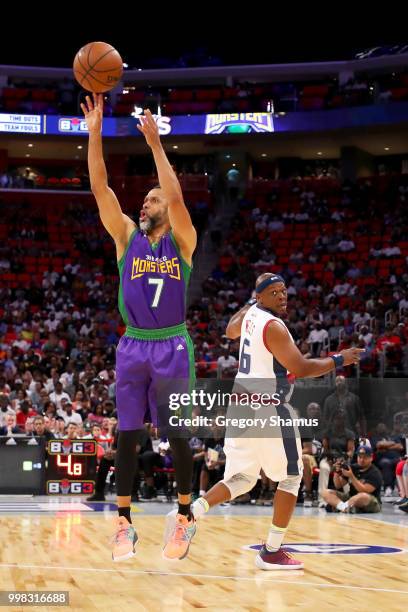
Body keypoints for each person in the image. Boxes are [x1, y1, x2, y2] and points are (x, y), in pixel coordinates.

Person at [81, 94, 197, 562]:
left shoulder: (182, 241)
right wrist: (94, 134)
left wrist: (155, 145)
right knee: (127, 435)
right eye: (144, 199)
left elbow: (175, 195)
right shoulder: (126, 237)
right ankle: (124, 524)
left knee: (178, 434)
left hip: (172, 345)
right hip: (132, 346)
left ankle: (185, 518)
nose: (144, 203)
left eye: (152, 199)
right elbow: (100, 188)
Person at [190, 273, 363, 570]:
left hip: (241, 406)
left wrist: (250, 301)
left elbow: (231, 331)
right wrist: (339, 359)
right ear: (261, 296)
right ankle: (271, 551)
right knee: (292, 477)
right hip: (267, 409)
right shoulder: (274, 326)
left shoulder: (250, 315)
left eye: (284, 291)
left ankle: (191, 511)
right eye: (274, 292)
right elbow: (302, 367)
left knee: (242, 479)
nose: (282, 296)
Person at [322, 445, 383, 513]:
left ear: (371, 458)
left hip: (370, 501)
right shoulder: (353, 467)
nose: (362, 460)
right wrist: (337, 471)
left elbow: (365, 491)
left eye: (365, 457)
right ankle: (345, 508)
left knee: (362, 496)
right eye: (360, 457)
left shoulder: (375, 473)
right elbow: (338, 485)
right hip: (351, 498)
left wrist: (351, 476)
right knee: (325, 492)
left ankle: (340, 507)